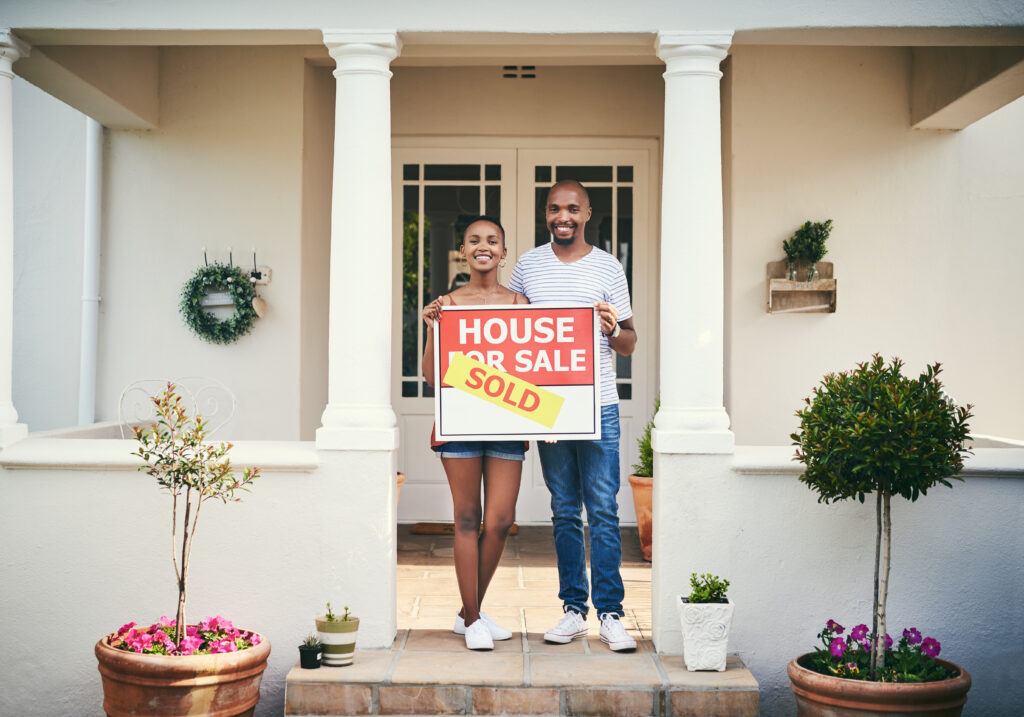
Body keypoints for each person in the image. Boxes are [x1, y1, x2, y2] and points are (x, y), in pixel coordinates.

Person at [508, 180, 639, 652]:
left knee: (603, 509)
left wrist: (609, 330)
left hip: (599, 404)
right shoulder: (528, 265)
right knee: (564, 510)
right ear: (546, 214)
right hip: (548, 409)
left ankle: (611, 614)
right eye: (553, 209)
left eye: (571, 209)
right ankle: (572, 610)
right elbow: (512, 337)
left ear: (587, 213)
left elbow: (629, 341)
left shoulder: (608, 267)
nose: (562, 217)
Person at [421, 215, 530, 651]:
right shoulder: (446, 304)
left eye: (492, 240)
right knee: (467, 518)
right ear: (462, 252)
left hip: (506, 423)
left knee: (500, 521)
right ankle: (473, 618)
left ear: (503, 251)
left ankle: (470, 615)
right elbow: (432, 376)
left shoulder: (522, 303)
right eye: (473, 240)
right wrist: (433, 328)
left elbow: (535, 367)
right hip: (460, 422)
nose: (483, 246)